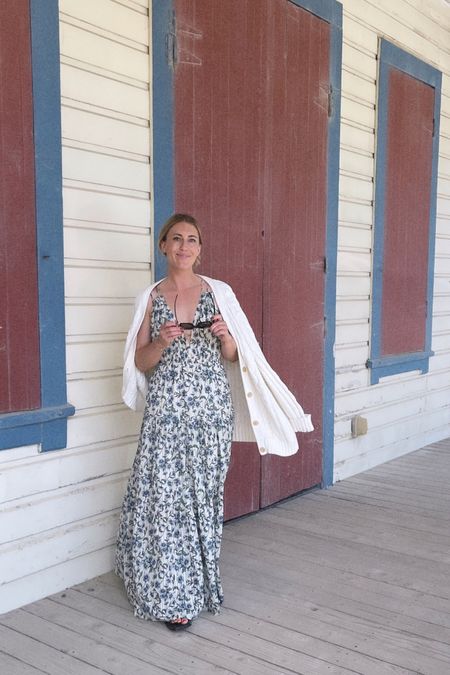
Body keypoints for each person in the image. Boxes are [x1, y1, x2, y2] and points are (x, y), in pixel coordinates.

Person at [116, 213, 313, 631]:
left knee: (201, 500)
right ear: (163, 246)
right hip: (166, 411)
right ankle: (171, 595)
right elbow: (140, 361)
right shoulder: (149, 297)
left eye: (192, 240)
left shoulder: (219, 292)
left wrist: (226, 336)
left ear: (200, 249)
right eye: (176, 239)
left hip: (210, 412)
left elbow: (238, 358)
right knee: (162, 499)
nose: (184, 247)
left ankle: (198, 586)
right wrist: (162, 341)